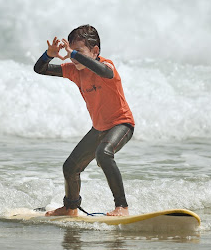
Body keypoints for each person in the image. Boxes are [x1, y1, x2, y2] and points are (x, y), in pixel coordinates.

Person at [34, 25, 135, 216]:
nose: (72, 57)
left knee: (103, 154)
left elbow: (103, 71)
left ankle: (122, 206)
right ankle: (70, 207)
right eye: (70, 52)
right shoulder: (74, 70)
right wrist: (49, 54)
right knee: (70, 167)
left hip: (122, 124)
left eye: (78, 52)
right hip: (98, 129)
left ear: (95, 51)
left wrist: (74, 55)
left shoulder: (107, 66)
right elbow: (40, 69)